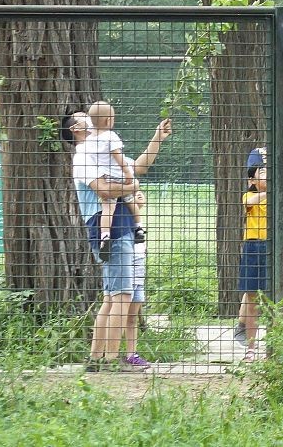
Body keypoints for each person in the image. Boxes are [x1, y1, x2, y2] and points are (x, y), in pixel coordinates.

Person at [70, 110, 171, 372]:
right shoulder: (83, 157)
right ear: (75, 130)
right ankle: (113, 360)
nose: (91, 122)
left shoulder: (104, 154)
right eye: (84, 119)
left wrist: (157, 139)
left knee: (111, 296)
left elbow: (138, 167)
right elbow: (104, 190)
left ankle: (96, 358)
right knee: (122, 296)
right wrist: (132, 187)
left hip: (121, 225)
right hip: (109, 228)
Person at [83, 101, 145, 261]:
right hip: (121, 176)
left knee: (107, 209)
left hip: (106, 178)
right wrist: (128, 173)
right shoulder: (110, 136)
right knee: (131, 201)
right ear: (108, 120)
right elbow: (119, 158)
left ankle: (104, 236)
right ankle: (139, 227)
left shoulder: (89, 141)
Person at [237, 157, 269, 360]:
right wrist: (268, 192)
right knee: (251, 298)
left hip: (271, 245)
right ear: (253, 180)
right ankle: (250, 347)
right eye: (262, 172)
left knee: (275, 297)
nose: (267, 174)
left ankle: (274, 346)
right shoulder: (248, 195)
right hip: (253, 245)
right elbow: (250, 202)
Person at [121, 189, 152, 369]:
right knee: (120, 309)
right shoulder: (115, 200)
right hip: (126, 258)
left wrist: (137, 206)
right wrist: (135, 205)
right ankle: (111, 353)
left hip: (139, 260)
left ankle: (131, 354)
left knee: (133, 313)